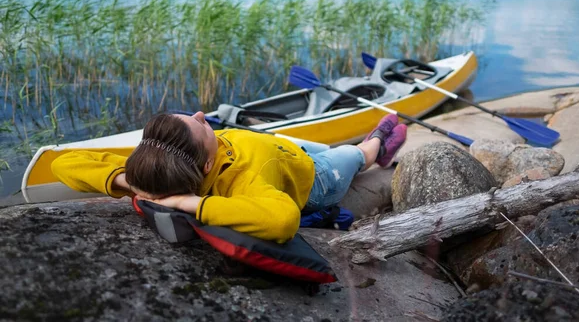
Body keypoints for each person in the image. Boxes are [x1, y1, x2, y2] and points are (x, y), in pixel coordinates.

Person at [51, 112, 407, 243]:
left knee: (323, 145)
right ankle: (376, 143)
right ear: (207, 167)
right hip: (316, 178)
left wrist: (131, 181)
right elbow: (283, 219)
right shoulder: (242, 181)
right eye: (202, 126)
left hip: (282, 148)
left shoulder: (159, 160)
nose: (202, 114)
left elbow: (62, 163)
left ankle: (368, 145)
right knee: (352, 155)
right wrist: (190, 203)